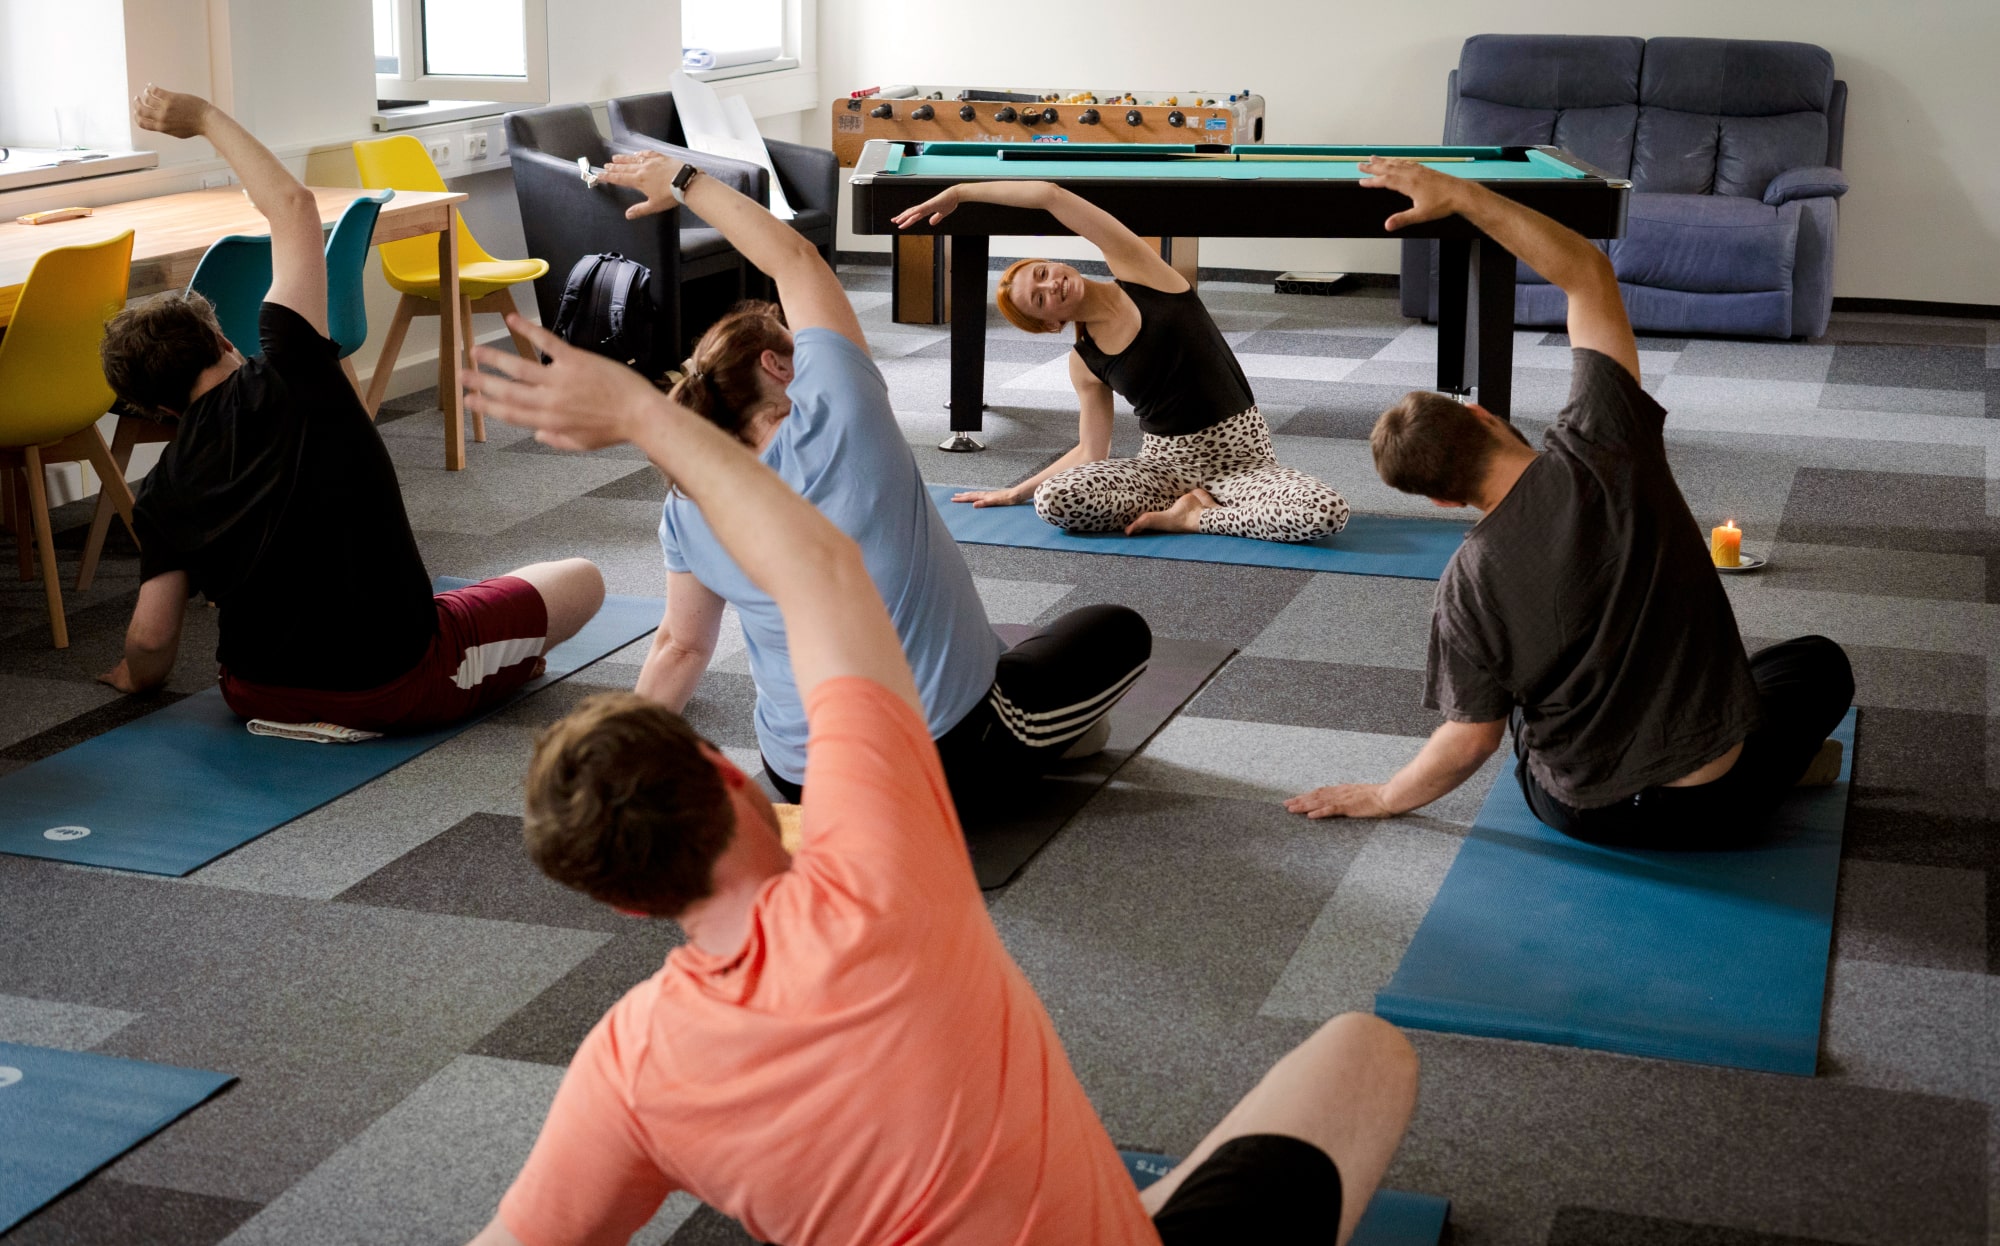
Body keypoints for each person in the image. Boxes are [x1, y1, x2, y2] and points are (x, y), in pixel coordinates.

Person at [457, 315, 1419, 1245]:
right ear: (723, 772)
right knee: (1366, 1050)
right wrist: (637, 411)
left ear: (626, 904)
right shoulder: (882, 868)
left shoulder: (626, 1066)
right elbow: (823, 570)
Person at [1286, 157, 1853, 846]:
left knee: (1513, 691)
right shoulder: (1607, 438)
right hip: (1710, 801)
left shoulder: (1463, 589)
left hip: (1587, 816)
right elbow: (1586, 270)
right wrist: (1461, 195)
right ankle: (1773, 770)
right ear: (1488, 418)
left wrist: (1381, 796)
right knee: (1818, 663)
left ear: (1438, 500)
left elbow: (1470, 740)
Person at [596, 150, 1150, 810]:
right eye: (794, 342)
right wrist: (683, 180)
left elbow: (681, 646)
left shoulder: (686, 501)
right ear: (778, 367)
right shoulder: (841, 410)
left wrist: (616, 775)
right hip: (947, 757)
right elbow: (795, 260)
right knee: (1116, 630)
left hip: (801, 778)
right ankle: (1056, 740)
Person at [95, 88, 603, 732]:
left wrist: (130, 677)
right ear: (223, 341)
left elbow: (150, 640)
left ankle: (483, 649)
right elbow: (292, 207)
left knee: (462, 605)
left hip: (254, 693)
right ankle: (487, 659)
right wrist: (200, 118)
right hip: (390, 687)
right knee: (581, 578)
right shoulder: (295, 362)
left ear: (156, 407)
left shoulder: (160, 492)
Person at [892, 180, 1349, 544]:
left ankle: (1194, 519)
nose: (1053, 286)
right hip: (1163, 468)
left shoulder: (1143, 273)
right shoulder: (1084, 363)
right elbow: (1092, 453)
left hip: (1243, 463)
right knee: (1055, 502)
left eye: (1044, 273)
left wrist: (959, 193)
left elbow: (1051, 196)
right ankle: (1187, 507)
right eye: (1040, 298)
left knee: (1324, 513)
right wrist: (1017, 491)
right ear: (1049, 324)